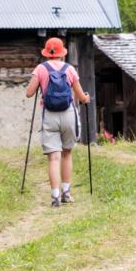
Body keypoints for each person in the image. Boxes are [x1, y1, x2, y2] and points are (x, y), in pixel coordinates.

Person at [26, 37, 90, 207]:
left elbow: (29, 93)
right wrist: (86, 98)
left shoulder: (40, 68)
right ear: (62, 53)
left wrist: (40, 83)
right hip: (68, 114)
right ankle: (66, 193)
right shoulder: (69, 69)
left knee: (53, 158)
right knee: (67, 153)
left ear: (47, 53)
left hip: (49, 116)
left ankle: (55, 197)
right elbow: (81, 96)